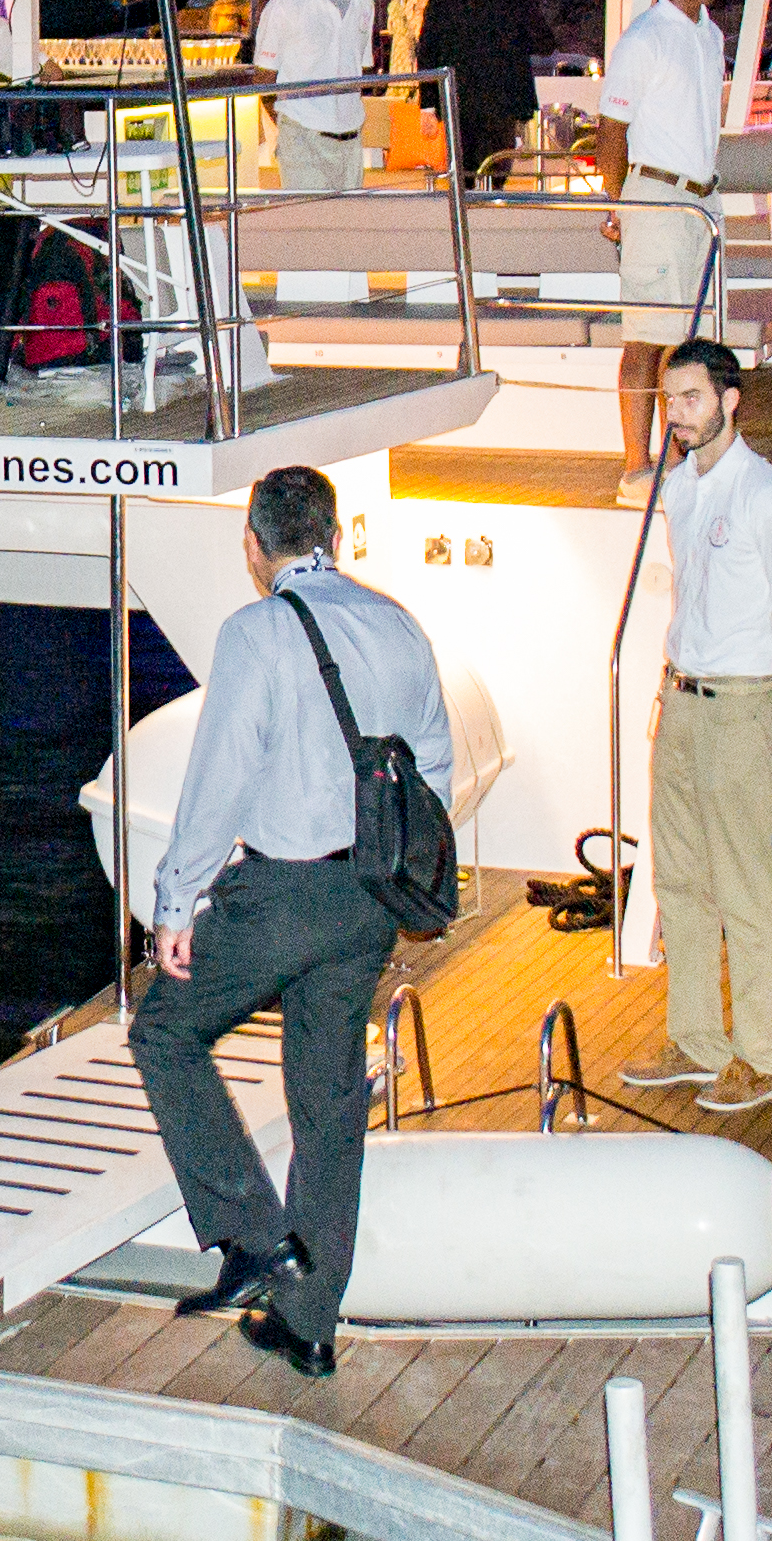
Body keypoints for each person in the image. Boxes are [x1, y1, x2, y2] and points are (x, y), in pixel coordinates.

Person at [132, 464, 457, 1381]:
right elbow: (430, 758)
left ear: (255, 546)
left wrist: (174, 902)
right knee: (327, 1102)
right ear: (337, 535)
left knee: (163, 1031)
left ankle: (253, 1238)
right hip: (370, 897)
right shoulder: (398, 623)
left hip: (283, 891)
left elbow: (219, 779)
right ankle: (311, 1325)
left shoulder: (257, 632)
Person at [626, 339, 772, 1116]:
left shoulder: (768, 499)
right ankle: (697, 1040)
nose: (678, 415)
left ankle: (763, 1058)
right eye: (670, 401)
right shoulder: (680, 486)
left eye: (693, 399)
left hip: (739, 700)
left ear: (731, 400)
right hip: (680, 699)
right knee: (679, 877)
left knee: (745, 883)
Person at [587, 0, 732, 467]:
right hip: (655, 197)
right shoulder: (643, 38)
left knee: (689, 340)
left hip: (702, 202)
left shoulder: (710, 34)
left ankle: (679, 460)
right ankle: (634, 467)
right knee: (646, 339)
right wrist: (618, 206)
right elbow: (611, 134)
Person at [411, 0, 555, 183]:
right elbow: (545, 43)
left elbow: (427, 51)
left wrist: (428, 107)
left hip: (458, 100)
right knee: (496, 176)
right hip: (504, 100)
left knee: (462, 178)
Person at [252, 0, 382, 197]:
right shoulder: (287, 5)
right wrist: (294, 122)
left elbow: (360, 67)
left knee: (347, 232)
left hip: (350, 138)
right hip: (302, 138)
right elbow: (264, 78)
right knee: (310, 230)